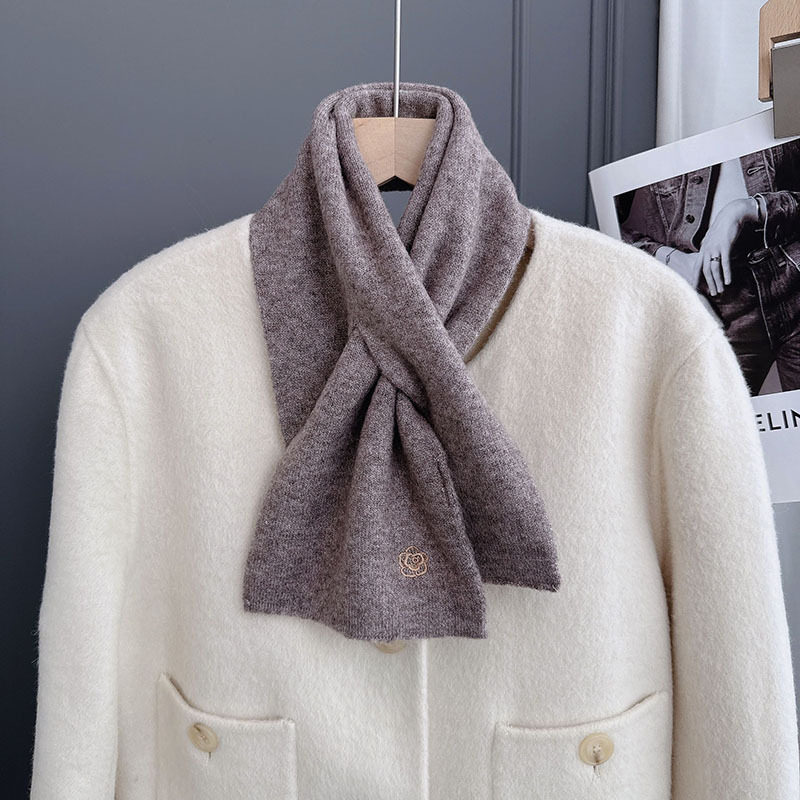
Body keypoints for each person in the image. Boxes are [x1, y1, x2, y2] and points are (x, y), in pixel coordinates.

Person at [616, 137, 800, 395]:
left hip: (793, 279)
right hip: (714, 303)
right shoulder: (663, 126)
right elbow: (607, 221)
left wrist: (747, 209)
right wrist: (666, 257)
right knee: (710, 417)